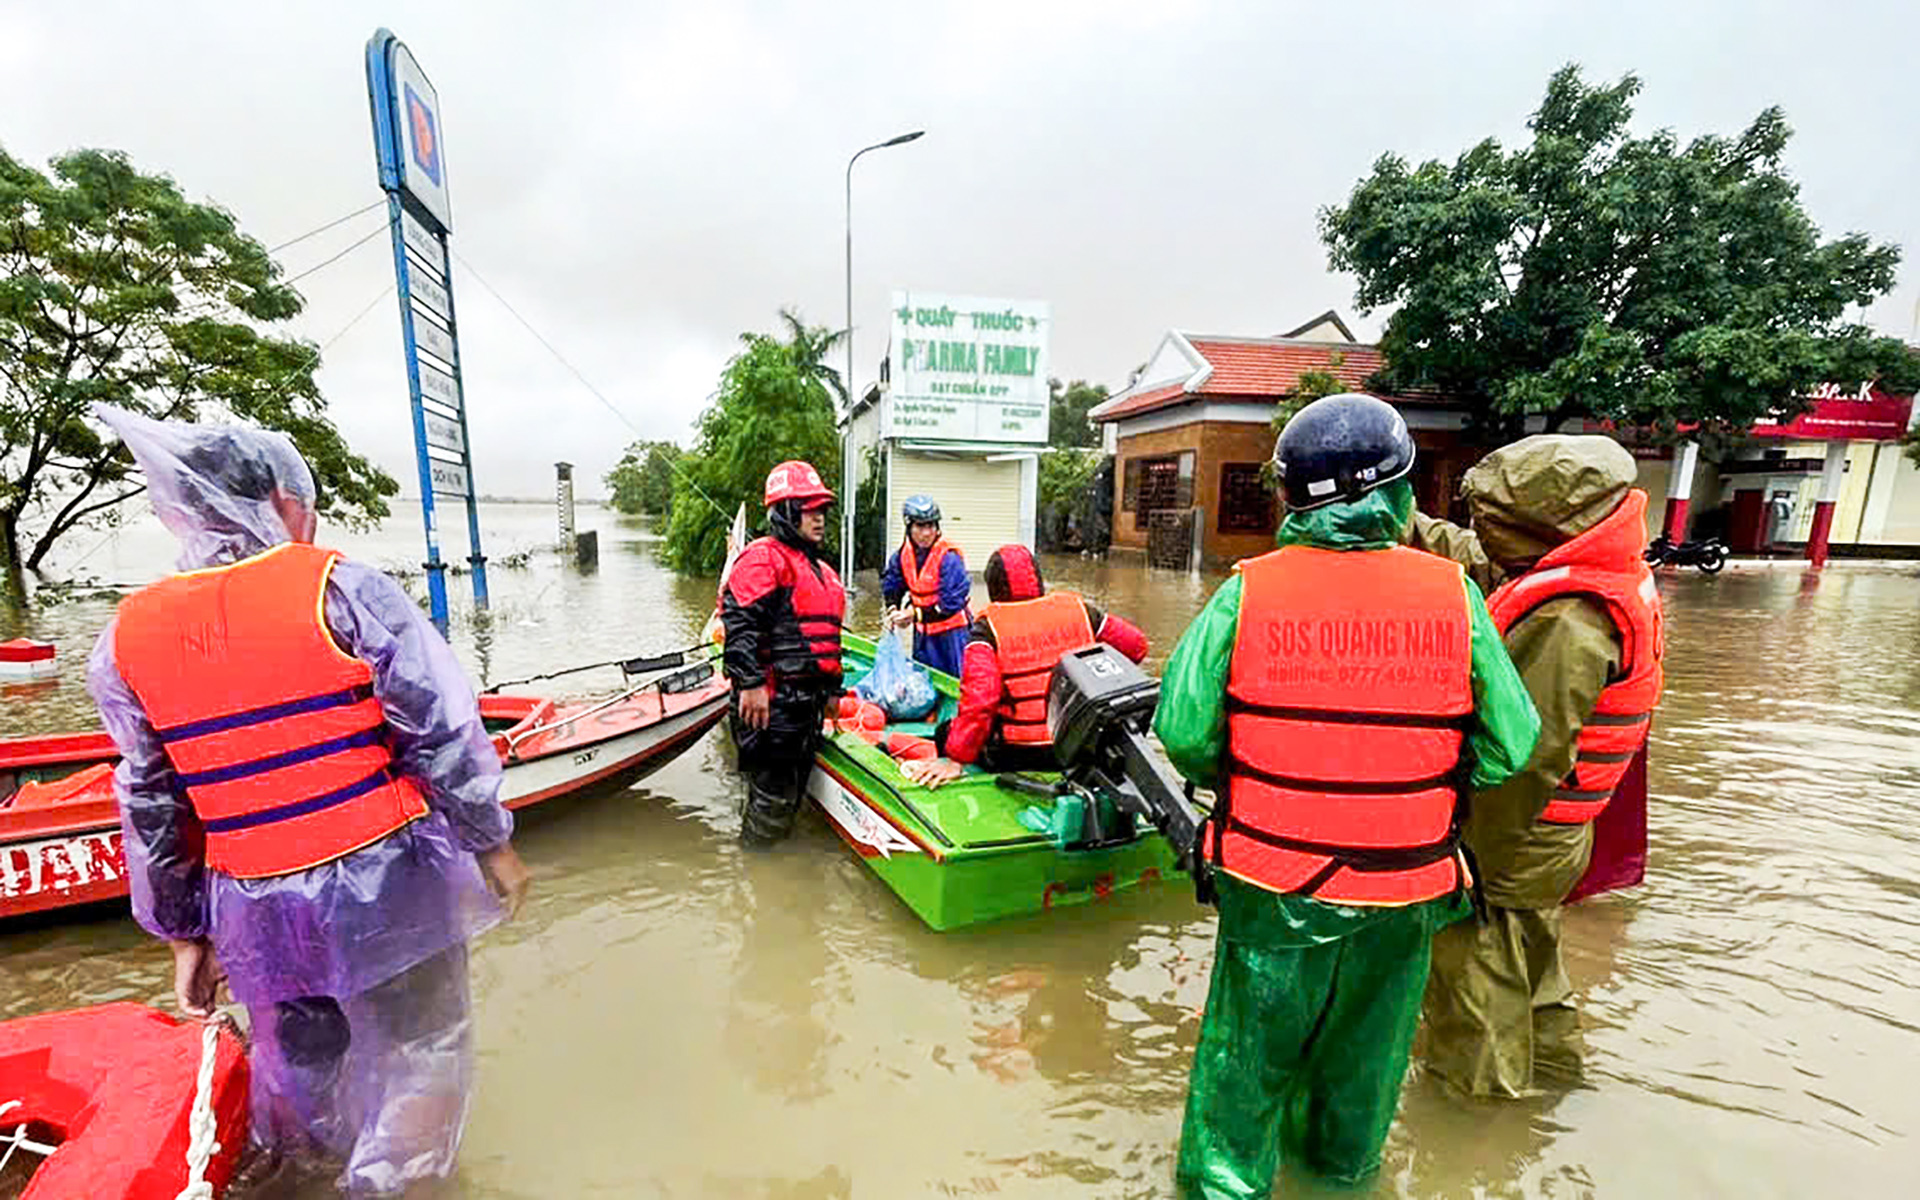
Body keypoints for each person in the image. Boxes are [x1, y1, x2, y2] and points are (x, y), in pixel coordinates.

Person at [82, 406, 530, 1196]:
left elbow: (150, 804)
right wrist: (491, 842)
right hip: (384, 879)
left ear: (179, 512)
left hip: (253, 903)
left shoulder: (126, 636)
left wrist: (186, 933)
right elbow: (441, 731)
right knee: (422, 1052)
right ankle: (396, 1186)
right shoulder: (342, 588)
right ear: (283, 502)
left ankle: (303, 1180)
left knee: (302, 1062)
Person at [1154, 394, 1540, 1195]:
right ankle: (1338, 1178)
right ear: (1401, 494)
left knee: (1245, 1072)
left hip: (1271, 882)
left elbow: (1184, 730)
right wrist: (1416, 773)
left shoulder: (1247, 592)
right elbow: (1512, 744)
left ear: (1292, 500)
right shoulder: (1455, 596)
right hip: (1406, 889)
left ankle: (1225, 1186)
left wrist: (1264, 772)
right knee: (1364, 1071)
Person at [1407, 434, 1664, 1099]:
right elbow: (1473, 556)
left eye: (1492, 517)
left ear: (1538, 523)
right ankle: (1551, 1085)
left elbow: (1522, 761)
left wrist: (1464, 859)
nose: (1481, 531)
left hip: (1516, 839)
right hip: (1555, 837)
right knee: (1531, 969)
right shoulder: (1589, 565)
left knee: (1475, 989)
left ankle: (1475, 1131)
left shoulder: (1568, 621)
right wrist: (1399, 511)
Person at [902, 544, 1147, 787]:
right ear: (1039, 581)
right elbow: (1136, 647)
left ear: (992, 588)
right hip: (1080, 748)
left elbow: (981, 699)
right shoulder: (1080, 610)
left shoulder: (988, 628)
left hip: (1019, 754)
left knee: (945, 732)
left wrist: (955, 759)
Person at [721, 460, 846, 847]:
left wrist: (833, 692)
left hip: (805, 709)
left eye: (822, 509)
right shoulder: (763, 559)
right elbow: (740, 625)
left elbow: (827, 642)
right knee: (770, 806)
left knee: (789, 802)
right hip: (770, 708)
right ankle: (755, 877)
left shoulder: (825, 571)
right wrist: (751, 683)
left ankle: (773, 879)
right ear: (786, 512)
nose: (819, 518)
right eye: (809, 509)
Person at [879, 494, 973, 677]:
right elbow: (892, 585)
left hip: (952, 637)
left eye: (931, 526)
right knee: (924, 685)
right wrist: (893, 611)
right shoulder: (901, 556)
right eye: (920, 526)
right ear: (909, 527)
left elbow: (950, 604)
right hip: (923, 638)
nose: (926, 533)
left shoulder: (949, 558)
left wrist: (913, 614)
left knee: (957, 685)